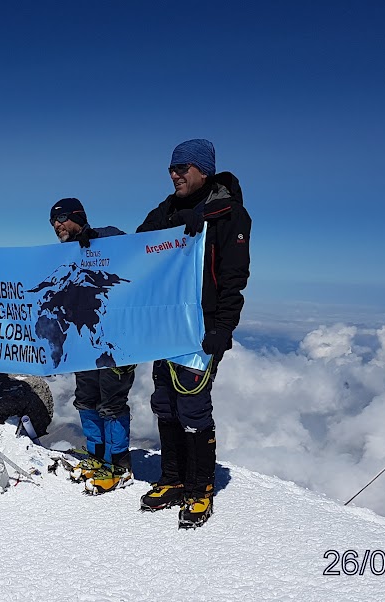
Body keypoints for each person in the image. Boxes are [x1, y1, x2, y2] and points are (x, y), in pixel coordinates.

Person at [136, 139, 251, 528]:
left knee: (192, 406)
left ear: (204, 169)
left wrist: (223, 328)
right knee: (164, 403)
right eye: (171, 168)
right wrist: (91, 240)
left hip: (201, 330)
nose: (174, 174)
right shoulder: (166, 211)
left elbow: (234, 279)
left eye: (182, 167)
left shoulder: (229, 215)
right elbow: (134, 247)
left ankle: (200, 487)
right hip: (164, 327)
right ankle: (172, 478)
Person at [49, 197, 135, 494]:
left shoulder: (107, 236)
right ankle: (97, 457)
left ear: (77, 216)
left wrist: (95, 239)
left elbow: (136, 250)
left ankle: (118, 464)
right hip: (83, 342)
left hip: (117, 343)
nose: (56, 225)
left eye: (61, 218)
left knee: (112, 402)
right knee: (85, 398)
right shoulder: (65, 255)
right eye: (52, 222)